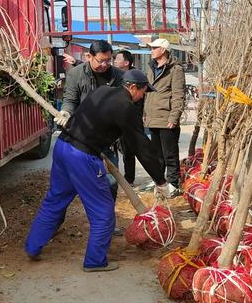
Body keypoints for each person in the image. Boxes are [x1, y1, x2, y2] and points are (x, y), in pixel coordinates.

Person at [25, 70, 170, 271]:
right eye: (143, 92)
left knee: (55, 200)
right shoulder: (125, 106)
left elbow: (92, 119)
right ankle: (95, 261)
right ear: (133, 88)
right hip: (82, 157)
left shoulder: (101, 91)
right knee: (103, 212)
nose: (142, 97)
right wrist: (160, 180)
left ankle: (33, 246)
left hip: (63, 146)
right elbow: (140, 146)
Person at [55, 40, 124, 203]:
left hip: (106, 140)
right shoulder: (76, 74)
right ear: (89, 57)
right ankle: (55, 223)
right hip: (80, 138)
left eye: (109, 60)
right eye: (101, 61)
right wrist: (65, 111)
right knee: (66, 186)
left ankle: (107, 220)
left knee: (111, 183)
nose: (105, 65)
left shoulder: (119, 77)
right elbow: (70, 99)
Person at [144, 38, 185, 196]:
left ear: (163, 50)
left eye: (154, 48)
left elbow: (178, 95)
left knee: (170, 154)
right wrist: (144, 114)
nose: (151, 50)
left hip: (167, 117)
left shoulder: (176, 69)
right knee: (156, 155)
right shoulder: (150, 67)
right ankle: (159, 182)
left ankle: (173, 184)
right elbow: (146, 93)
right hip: (152, 117)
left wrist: (174, 117)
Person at [113, 50, 138, 187]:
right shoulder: (114, 75)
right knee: (114, 150)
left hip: (128, 120)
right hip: (113, 120)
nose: (115, 61)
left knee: (129, 151)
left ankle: (129, 179)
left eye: (117, 59)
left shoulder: (135, 78)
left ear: (126, 62)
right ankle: (114, 177)